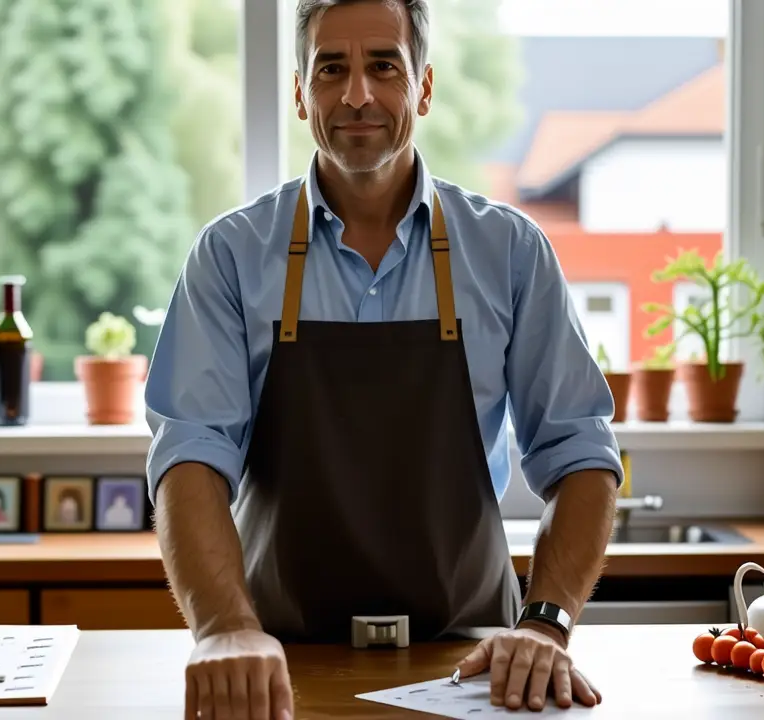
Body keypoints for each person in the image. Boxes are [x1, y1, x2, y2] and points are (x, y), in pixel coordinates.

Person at [144, 1, 623, 717]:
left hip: (473, 661)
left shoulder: (511, 253)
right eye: (331, 69)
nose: (357, 95)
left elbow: (580, 452)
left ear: (424, 86)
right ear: (301, 92)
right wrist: (223, 629)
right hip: (276, 661)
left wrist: (545, 625)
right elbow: (190, 456)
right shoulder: (231, 257)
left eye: (384, 67)